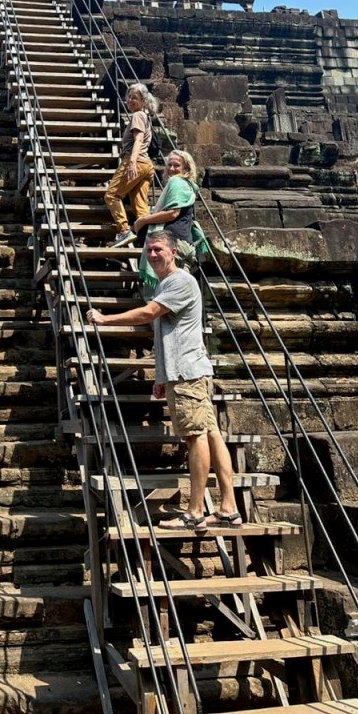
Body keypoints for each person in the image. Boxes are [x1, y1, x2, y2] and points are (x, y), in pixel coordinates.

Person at [87, 229, 241, 531]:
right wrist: (160, 375)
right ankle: (228, 509)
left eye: (158, 249)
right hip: (186, 371)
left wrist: (106, 319)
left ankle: (195, 512)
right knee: (211, 434)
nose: (153, 254)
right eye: (148, 250)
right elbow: (165, 333)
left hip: (186, 374)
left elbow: (149, 313)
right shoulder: (165, 283)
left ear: (173, 252)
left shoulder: (179, 281)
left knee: (195, 437)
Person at [133, 150, 206, 295]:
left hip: (172, 243)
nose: (171, 169)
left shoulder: (176, 182)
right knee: (179, 292)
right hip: (185, 245)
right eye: (169, 165)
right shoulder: (188, 185)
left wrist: (143, 220)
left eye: (176, 165)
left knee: (164, 293)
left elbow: (173, 213)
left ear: (186, 168)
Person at [104, 84, 158, 247]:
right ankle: (149, 240)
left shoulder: (138, 115)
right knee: (140, 206)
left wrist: (132, 162)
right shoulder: (146, 117)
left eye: (135, 97)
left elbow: (138, 140)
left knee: (112, 195)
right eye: (128, 97)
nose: (130, 100)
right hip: (147, 165)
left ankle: (123, 230)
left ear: (143, 101)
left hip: (136, 161)